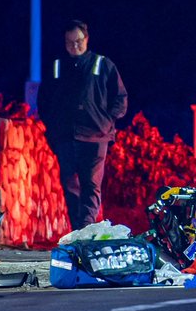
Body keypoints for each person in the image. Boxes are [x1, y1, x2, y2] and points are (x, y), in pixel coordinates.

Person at [37, 19, 129, 230]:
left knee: (91, 185)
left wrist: (107, 120)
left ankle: (85, 229)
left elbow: (120, 97)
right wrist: (52, 124)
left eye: (78, 41)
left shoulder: (103, 65)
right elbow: (44, 99)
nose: (74, 46)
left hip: (95, 136)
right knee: (70, 185)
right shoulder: (57, 66)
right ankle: (77, 230)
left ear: (86, 39)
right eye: (70, 42)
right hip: (65, 136)